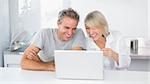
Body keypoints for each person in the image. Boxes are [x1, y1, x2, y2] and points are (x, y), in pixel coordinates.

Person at [21, 8, 86, 71]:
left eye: (74, 29)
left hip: (65, 74)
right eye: (67, 27)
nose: (70, 33)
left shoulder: (78, 33)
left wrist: (40, 62)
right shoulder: (44, 33)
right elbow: (24, 63)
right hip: (43, 75)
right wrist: (50, 66)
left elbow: (74, 61)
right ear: (58, 24)